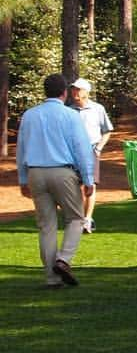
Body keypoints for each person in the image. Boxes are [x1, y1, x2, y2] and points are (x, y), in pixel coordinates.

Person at [16, 73, 95, 288]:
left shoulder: (30, 115)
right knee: (76, 218)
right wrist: (88, 179)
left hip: (36, 172)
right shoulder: (70, 116)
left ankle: (51, 277)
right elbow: (81, 148)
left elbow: (21, 148)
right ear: (65, 92)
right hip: (62, 171)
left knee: (46, 226)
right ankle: (64, 259)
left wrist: (23, 178)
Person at [66, 77, 113, 233]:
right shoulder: (68, 110)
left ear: (87, 92)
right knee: (74, 187)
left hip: (92, 150)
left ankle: (87, 219)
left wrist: (99, 148)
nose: (75, 92)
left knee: (90, 186)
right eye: (73, 89)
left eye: (78, 89)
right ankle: (77, 219)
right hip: (72, 153)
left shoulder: (97, 109)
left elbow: (107, 131)